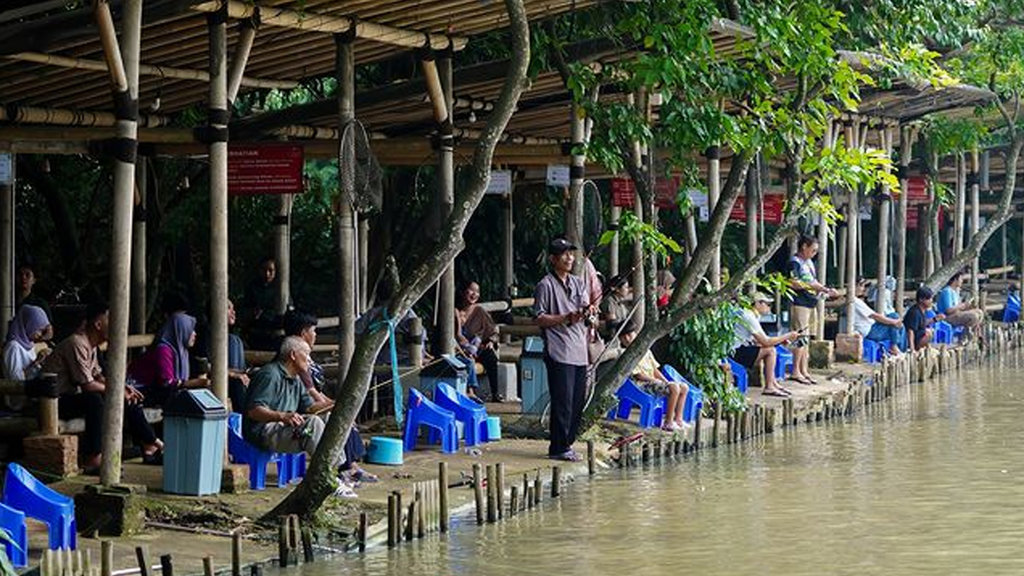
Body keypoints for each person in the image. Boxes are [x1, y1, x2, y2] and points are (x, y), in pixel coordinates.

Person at [44, 302, 163, 470]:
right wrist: (116, 391)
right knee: (95, 400)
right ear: (98, 325)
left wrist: (122, 389)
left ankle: (150, 443)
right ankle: (94, 458)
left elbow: (98, 376)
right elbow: (87, 385)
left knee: (120, 396)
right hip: (52, 403)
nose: (117, 326)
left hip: (71, 397)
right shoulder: (77, 343)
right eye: (111, 320)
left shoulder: (91, 347)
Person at [242, 336, 355, 497]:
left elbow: (309, 407)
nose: (310, 360)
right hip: (263, 431)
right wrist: (282, 416)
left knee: (329, 418)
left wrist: (337, 404)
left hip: (285, 429)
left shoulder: (296, 379)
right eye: (307, 355)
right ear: (293, 355)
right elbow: (254, 411)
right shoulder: (269, 375)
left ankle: (336, 472)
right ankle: (327, 478)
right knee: (313, 423)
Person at [282, 310, 378, 485]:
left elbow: (316, 391)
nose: (315, 334)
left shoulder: (305, 356)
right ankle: (347, 468)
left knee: (343, 412)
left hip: (310, 403)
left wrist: (334, 403)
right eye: (313, 330)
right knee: (339, 415)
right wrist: (334, 405)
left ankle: (352, 465)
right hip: (302, 408)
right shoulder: (296, 358)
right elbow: (310, 393)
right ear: (304, 333)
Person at [534, 236, 594, 462]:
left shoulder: (579, 283)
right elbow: (539, 318)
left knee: (578, 401)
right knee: (563, 401)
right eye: (564, 254)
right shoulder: (545, 285)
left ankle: (567, 444)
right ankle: (557, 447)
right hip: (559, 350)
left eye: (571, 253)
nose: (569, 257)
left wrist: (589, 314)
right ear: (553, 259)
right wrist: (564, 317)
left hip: (580, 350)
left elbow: (587, 313)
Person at [127, 312, 209, 409]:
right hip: (138, 390)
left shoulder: (181, 352)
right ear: (180, 330)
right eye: (191, 330)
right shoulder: (163, 350)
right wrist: (194, 383)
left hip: (154, 391)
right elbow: (167, 383)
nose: (194, 334)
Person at [788, 236, 837, 385]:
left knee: (806, 338)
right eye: (813, 249)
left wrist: (825, 290)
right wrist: (815, 287)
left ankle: (804, 370)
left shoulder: (808, 263)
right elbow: (793, 282)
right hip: (799, 302)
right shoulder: (794, 263)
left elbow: (813, 281)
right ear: (804, 246)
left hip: (810, 303)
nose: (815, 253)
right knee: (799, 336)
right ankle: (796, 371)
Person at [730, 292, 799, 397]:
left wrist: (780, 341)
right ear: (757, 304)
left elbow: (758, 340)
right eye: (767, 304)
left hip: (742, 347)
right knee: (770, 351)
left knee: (771, 348)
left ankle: (773, 383)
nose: (769, 307)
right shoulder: (748, 316)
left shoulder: (752, 315)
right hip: (735, 352)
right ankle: (769, 386)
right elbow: (765, 341)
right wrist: (787, 336)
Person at [619, 328, 688, 430]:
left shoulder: (646, 351)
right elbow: (638, 375)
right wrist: (654, 380)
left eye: (630, 335)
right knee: (674, 388)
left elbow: (655, 370)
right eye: (624, 338)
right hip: (640, 385)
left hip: (653, 382)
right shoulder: (626, 354)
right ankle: (668, 422)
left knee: (684, 387)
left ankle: (678, 420)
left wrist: (666, 381)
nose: (627, 339)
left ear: (636, 334)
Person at [455, 281, 501, 402]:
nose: (474, 294)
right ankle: (470, 392)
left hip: (478, 348)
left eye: (477, 292)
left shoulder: (479, 311)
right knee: (466, 361)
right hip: (460, 349)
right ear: (463, 291)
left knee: (491, 357)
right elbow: (456, 335)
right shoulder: (454, 311)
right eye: (471, 290)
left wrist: (491, 341)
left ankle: (495, 393)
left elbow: (493, 331)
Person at [2, 305, 53, 410]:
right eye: (38, 330)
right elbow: (16, 382)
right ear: (29, 324)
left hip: (33, 396)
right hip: (20, 403)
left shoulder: (28, 343)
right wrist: (36, 363)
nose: (40, 335)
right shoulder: (13, 347)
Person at [851, 280, 906, 355]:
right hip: (871, 331)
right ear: (854, 286)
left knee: (896, 320)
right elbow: (874, 316)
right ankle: (895, 347)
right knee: (895, 319)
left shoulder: (854, 300)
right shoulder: (855, 301)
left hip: (872, 327)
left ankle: (896, 347)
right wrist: (894, 322)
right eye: (861, 286)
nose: (863, 289)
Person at [242, 256, 282, 350]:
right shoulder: (252, 288)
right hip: (256, 333)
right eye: (264, 270)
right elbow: (245, 310)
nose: (267, 274)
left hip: (275, 333)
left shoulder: (280, 290)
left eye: (270, 270)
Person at [904, 286, 942, 352]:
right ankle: (917, 349)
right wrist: (912, 349)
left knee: (930, 331)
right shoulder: (914, 312)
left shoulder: (922, 310)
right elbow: (910, 331)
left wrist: (935, 319)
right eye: (929, 299)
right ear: (921, 299)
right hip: (914, 340)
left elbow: (922, 323)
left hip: (919, 335)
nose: (931, 301)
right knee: (928, 333)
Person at [599, 274, 632, 342]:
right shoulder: (609, 301)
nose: (628, 290)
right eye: (625, 287)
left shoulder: (621, 304)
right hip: (609, 339)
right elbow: (612, 324)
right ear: (617, 289)